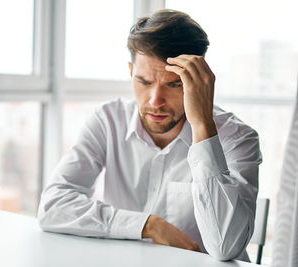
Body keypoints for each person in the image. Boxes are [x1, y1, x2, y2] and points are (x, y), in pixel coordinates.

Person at [37, 9, 262, 262]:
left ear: (200, 82)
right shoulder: (108, 121)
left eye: (174, 84)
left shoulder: (238, 139)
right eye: (143, 82)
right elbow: (52, 207)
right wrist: (148, 225)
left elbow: (226, 247)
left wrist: (202, 126)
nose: (155, 101)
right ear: (131, 71)